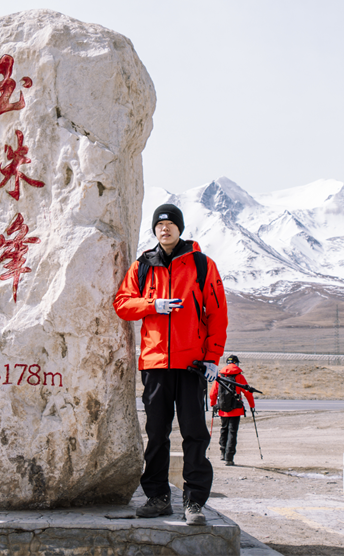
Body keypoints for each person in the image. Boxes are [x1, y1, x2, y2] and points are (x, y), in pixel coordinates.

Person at [114, 203, 228, 526]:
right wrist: (153, 305)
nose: (165, 230)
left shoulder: (202, 265)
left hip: (192, 366)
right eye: (159, 226)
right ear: (155, 231)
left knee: (194, 434)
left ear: (180, 228)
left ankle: (194, 502)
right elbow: (122, 303)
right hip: (155, 364)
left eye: (170, 225)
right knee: (156, 433)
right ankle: (157, 497)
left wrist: (212, 358)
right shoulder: (143, 266)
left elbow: (217, 314)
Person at [209, 354, 255, 466]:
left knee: (224, 429)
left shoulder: (220, 376)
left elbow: (212, 393)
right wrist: (252, 406)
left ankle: (223, 452)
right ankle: (229, 458)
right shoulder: (239, 377)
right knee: (232, 432)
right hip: (236, 410)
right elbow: (248, 393)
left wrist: (213, 405)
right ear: (236, 363)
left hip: (223, 409)